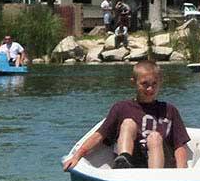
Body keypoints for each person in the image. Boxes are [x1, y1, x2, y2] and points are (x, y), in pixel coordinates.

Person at [62, 60, 190, 171]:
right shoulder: (121, 107)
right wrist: (76, 156)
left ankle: (154, 178)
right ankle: (123, 161)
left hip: (160, 163)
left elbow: (180, 145)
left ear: (160, 82)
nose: (150, 89)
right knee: (128, 123)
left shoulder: (169, 110)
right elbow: (99, 135)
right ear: (134, 82)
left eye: (154, 84)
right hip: (134, 161)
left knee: (155, 137)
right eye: (144, 84)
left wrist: (182, 172)